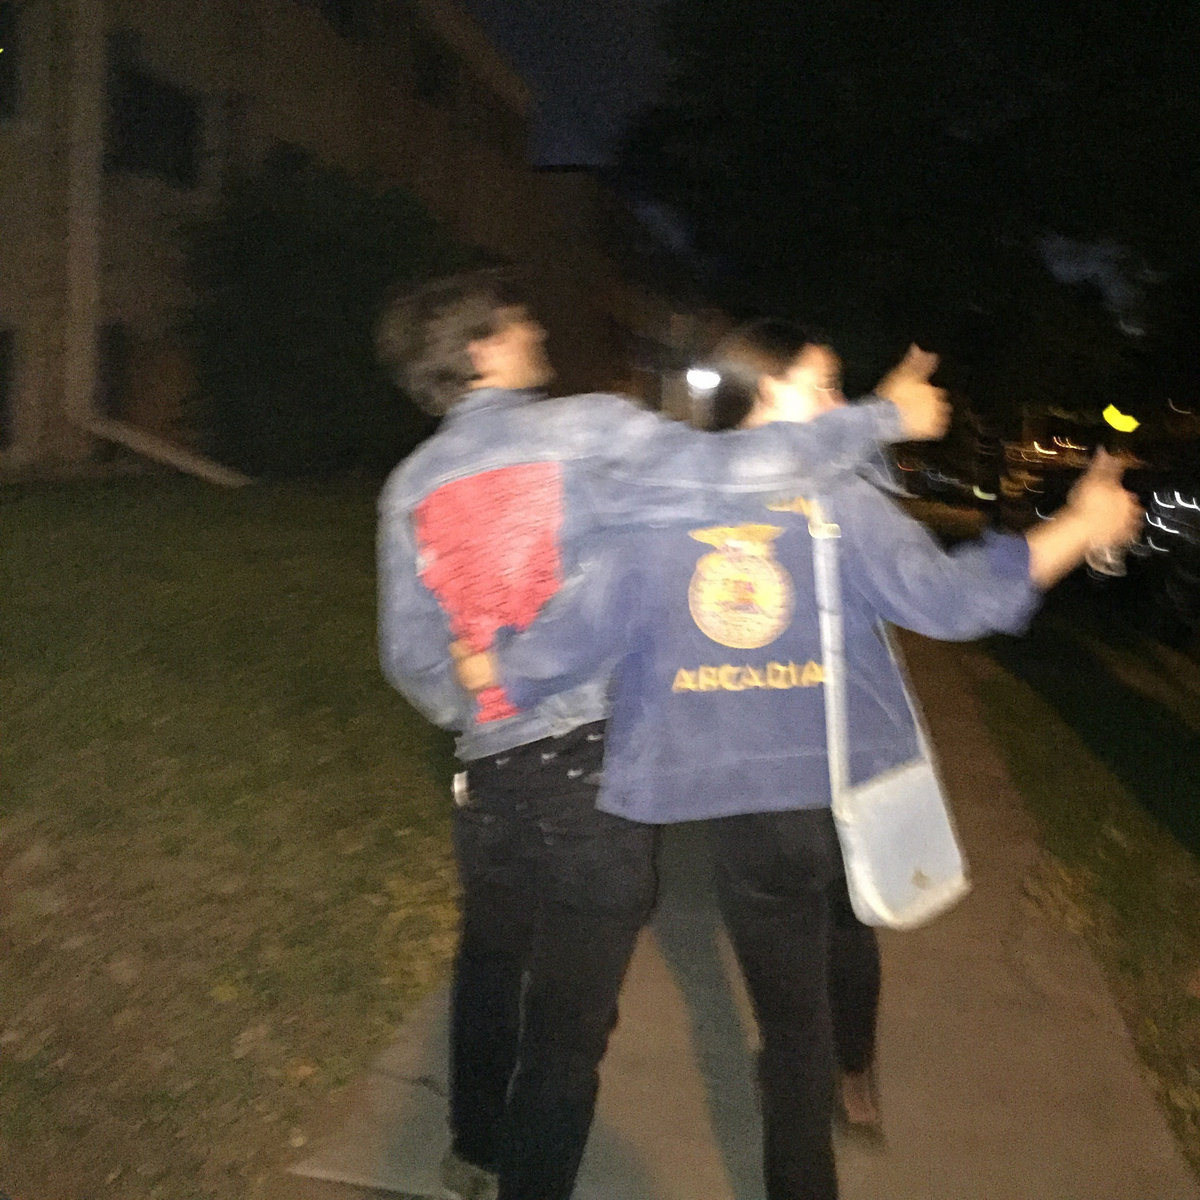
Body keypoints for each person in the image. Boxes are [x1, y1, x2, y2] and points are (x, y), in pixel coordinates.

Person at [455, 318, 1143, 1200]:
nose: (837, 404)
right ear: (764, 391)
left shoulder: (658, 510)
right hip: (833, 788)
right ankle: (831, 1114)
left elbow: (581, 633)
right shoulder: (840, 504)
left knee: (793, 1002)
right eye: (820, 386)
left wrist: (497, 669)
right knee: (815, 996)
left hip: (740, 808)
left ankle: (830, 1100)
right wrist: (1080, 527)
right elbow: (951, 600)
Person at [375, 270, 949, 1200]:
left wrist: (484, 707)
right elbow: (731, 474)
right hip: (591, 768)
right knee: (568, 1029)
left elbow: (411, 659)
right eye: (517, 322)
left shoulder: (408, 487)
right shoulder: (588, 431)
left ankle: (473, 1146)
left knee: (489, 960)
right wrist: (881, 419)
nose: (536, 328)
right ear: (481, 350)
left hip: (491, 776)